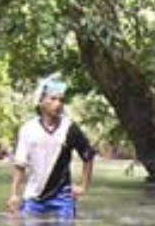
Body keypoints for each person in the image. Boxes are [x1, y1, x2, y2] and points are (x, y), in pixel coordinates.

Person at [8, 75, 96, 216]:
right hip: (33, 198)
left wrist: (83, 186)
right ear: (41, 102)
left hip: (63, 198)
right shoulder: (27, 129)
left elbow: (88, 155)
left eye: (61, 100)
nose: (58, 104)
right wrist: (14, 195)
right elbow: (20, 166)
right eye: (53, 99)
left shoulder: (70, 128)